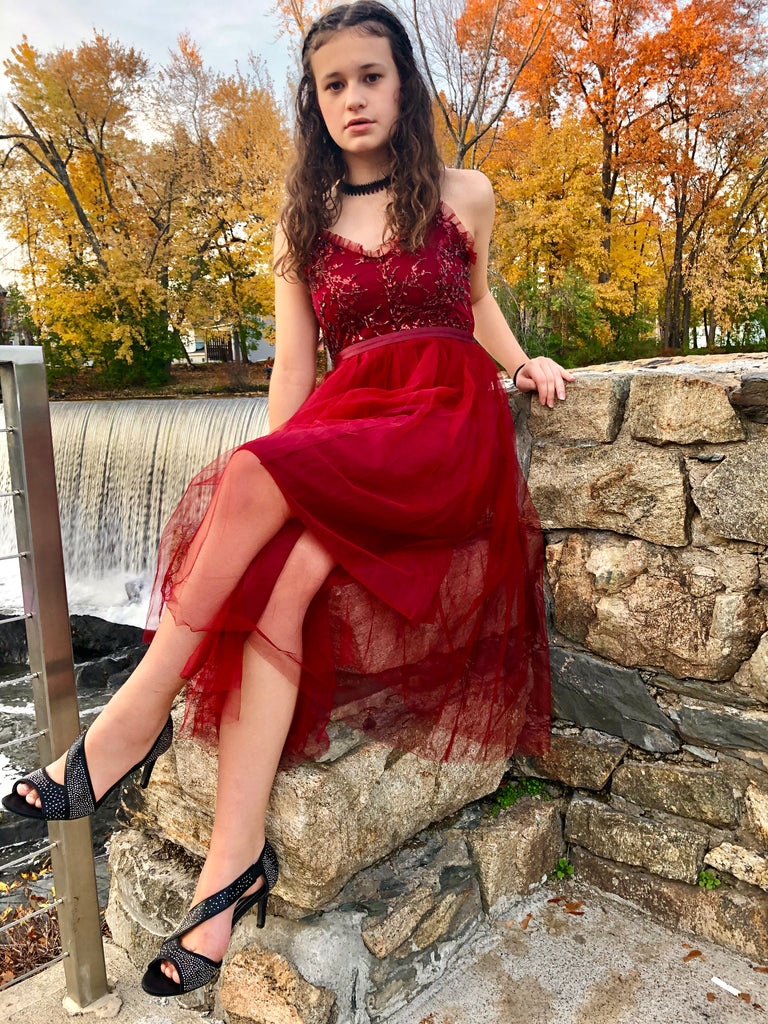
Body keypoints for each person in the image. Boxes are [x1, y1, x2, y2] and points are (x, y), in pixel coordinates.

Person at [2, 0, 573, 998]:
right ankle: (231, 874)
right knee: (279, 581)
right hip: (351, 433)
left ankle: (124, 727)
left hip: (443, 428)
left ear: (405, 85)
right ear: (314, 102)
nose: (354, 97)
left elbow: (474, 301)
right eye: (333, 83)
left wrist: (525, 362)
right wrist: (266, 492)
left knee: (264, 484)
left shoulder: (465, 193)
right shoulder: (300, 223)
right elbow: (291, 383)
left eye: (372, 76)